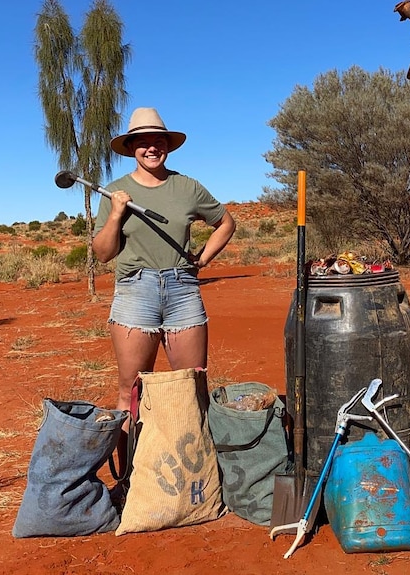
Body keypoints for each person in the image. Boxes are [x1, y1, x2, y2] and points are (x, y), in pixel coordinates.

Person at [92, 107, 236, 473]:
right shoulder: (115, 192)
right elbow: (104, 253)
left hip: (182, 289)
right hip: (134, 292)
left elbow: (225, 222)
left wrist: (202, 258)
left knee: (192, 387)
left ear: (167, 146)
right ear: (132, 148)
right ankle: (128, 481)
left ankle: (195, 479)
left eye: (158, 141)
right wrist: (115, 213)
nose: (151, 148)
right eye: (143, 142)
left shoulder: (187, 187)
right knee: (131, 393)